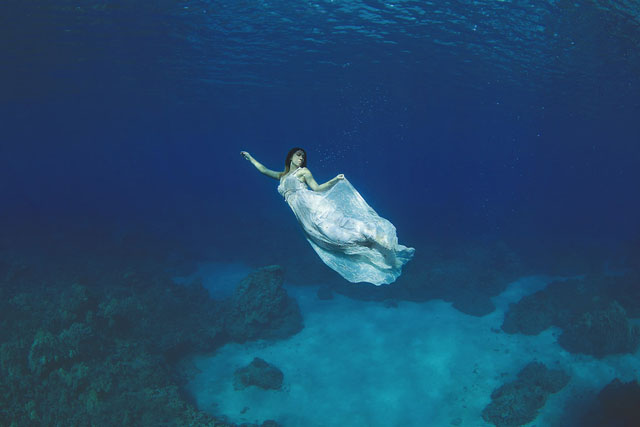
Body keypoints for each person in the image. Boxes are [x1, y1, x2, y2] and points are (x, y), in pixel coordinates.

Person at [241, 148, 414, 285]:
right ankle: (375, 245)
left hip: (313, 205)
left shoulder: (303, 172)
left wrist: (334, 180)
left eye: (303, 156)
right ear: (290, 157)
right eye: (298, 155)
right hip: (304, 217)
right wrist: (250, 158)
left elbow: (317, 188)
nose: (301, 158)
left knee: (338, 227)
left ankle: (374, 235)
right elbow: (263, 170)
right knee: (332, 241)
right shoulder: (282, 176)